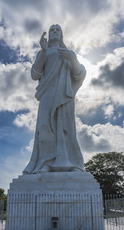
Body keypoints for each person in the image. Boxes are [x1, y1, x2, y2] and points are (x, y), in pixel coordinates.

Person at [23, 24, 86, 174]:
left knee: (66, 129)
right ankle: (45, 163)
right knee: (45, 128)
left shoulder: (68, 53)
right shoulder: (43, 52)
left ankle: (72, 164)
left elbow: (79, 75)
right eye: (52, 30)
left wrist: (73, 59)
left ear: (61, 35)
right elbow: (34, 75)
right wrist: (44, 52)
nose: (55, 32)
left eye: (58, 30)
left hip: (65, 95)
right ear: (49, 34)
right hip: (47, 94)